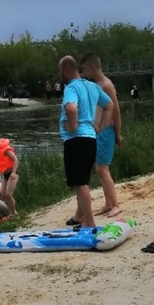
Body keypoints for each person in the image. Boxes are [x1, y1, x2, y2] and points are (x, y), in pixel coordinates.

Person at [58, 55, 114, 228]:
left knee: (80, 183)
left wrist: (73, 126)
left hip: (76, 140)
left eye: (60, 71)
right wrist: (101, 126)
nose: (59, 74)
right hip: (90, 139)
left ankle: (89, 222)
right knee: (83, 180)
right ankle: (81, 216)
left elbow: (71, 107)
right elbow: (109, 105)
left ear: (66, 70)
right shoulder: (91, 86)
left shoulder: (71, 87)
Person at [77, 52, 123, 218]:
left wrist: (118, 133)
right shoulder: (97, 85)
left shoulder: (106, 85)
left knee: (102, 169)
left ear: (92, 67)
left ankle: (116, 205)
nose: (84, 73)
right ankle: (108, 203)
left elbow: (116, 111)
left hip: (106, 132)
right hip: (98, 133)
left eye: (85, 69)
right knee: (99, 169)